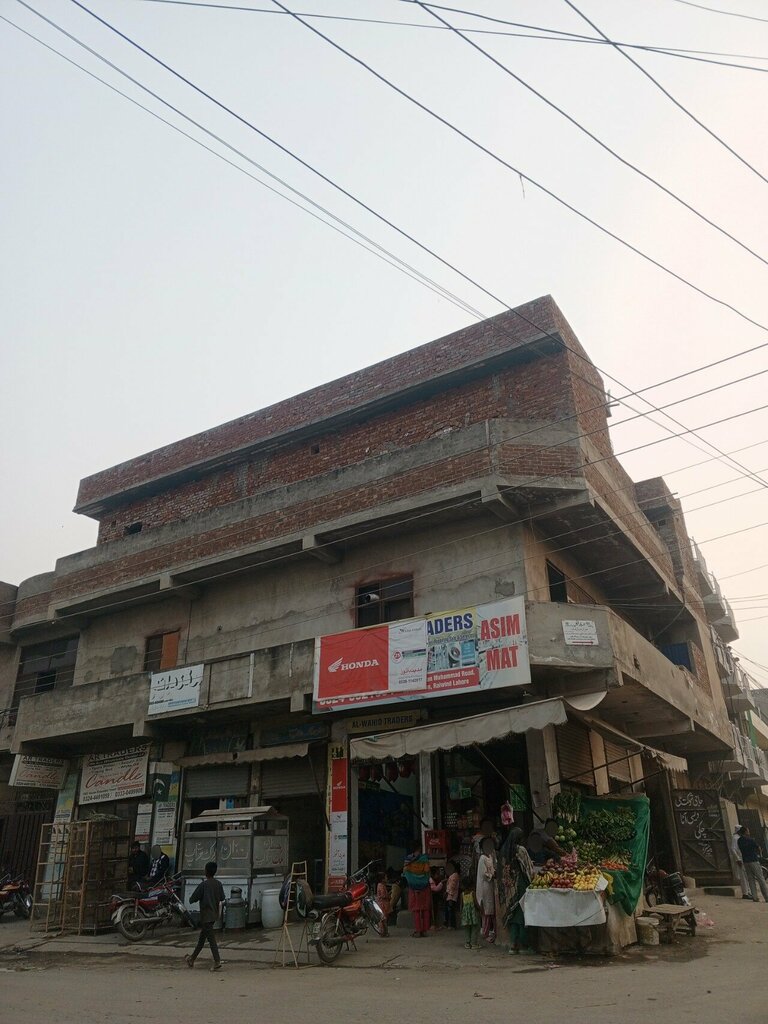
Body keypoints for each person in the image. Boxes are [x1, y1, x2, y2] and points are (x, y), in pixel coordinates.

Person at [498, 827, 535, 954]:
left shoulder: (503, 850)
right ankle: (524, 946)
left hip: (508, 889)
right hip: (520, 886)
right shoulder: (520, 850)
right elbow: (528, 868)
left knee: (512, 917)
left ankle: (513, 945)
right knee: (522, 916)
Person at [185, 861, 225, 970]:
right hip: (214, 915)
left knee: (211, 940)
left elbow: (192, 899)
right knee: (202, 940)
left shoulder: (203, 885)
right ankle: (192, 959)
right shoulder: (218, 884)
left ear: (206, 871)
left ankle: (217, 961)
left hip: (206, 916)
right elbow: (222, 898)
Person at [403, 843, 431, 937]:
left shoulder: (407, 860)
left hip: (413, 887)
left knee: (416, 910)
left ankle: (418, 930)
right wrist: (422, 880)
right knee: (425, 909)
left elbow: (406, 873)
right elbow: (427, 872)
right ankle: (425, 930)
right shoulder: (424, 859)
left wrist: (413, 882)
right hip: (424, 886)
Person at [737, 827, 768, 903]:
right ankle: (767, 897)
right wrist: (759, 853)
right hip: (754, 860)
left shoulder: (739, 841)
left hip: (746, 862)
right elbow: (758, 848)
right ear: (745, 832)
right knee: (761, 879)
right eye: (748, 831)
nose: (749, 832)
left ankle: (755, 897)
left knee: (751, 879)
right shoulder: (751, 840)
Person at [475, 836, 496, 942]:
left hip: (490, 885)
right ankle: (485, 932)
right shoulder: (482, 858)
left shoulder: (491, 856)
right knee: (486, 910)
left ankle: (490, 931)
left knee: (490, 910)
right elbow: (484, 874)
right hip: (485, 886)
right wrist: (492, 875)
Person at [732, 825, 752, 899]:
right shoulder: (735, 838)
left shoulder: (740, 838)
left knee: (746, 876)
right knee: (743, 877)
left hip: (744, 858)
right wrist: (738, 859)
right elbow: (733, 849)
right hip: (740, 859)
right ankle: (745, 893)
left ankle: (748, 892)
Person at [460, 876, 480, 949]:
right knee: (474, 929)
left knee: (467, 929)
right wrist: (480, 909)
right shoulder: (472, 893)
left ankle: (467, 943)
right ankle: (474, 943)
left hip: (465, 915)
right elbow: (476, 904)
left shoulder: (462, 894)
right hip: (473, 914)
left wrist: (461, 914)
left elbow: (461, 905)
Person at [444, 859, 460, 929]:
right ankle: (451, 924)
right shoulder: (454, 875)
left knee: (451, 911)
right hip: (452, 895)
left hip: (451, 896)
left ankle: (451, 925)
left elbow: (452, 887)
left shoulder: (454, 876)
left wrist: (448, 893)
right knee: (450, 910)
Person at [375, 872, 390, 937]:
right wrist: (388, 895)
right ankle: (384, 932)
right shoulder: (381, 886)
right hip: (383, 904)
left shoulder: (379, 885)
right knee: (384, 919)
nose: (387, 879)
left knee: (382, 919)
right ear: (382, 879)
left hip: (381, 903)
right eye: (386, 877)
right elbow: (383, 895)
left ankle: (383, 932)